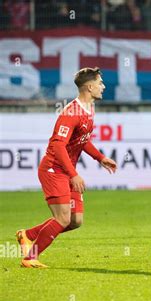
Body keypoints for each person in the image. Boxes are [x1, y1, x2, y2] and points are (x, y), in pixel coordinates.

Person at [16, 67, 117, 268]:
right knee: (62, 218)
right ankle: (30, 258)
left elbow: (82, 140)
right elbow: (58, 145)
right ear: (89, 87)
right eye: (99, 83)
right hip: (54, 170)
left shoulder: (89, 109)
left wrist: (100, 157)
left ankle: (27, 235)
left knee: (75, 220)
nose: (103, 87)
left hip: (66, 170)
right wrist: (74, 174)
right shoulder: (71, 113)